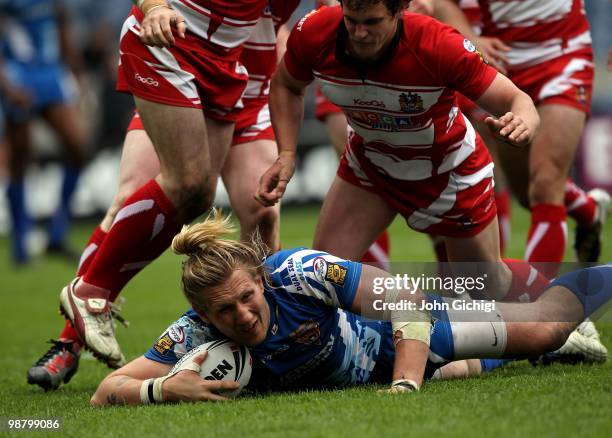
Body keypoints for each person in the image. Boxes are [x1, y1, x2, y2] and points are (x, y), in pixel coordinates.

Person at [26, 0, 299, 390]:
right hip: (185, 71)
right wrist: (154, 5)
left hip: (245, 91)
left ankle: (269, 344)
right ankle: (73, 338)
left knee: (263, 215)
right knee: (131, 198)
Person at [89, 210, 609, 406]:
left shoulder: (299, 273)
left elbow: (403, 297)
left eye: (247, 298)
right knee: (463, 371)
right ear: (204, 316)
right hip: (367, 372)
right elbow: (104, 393)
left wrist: (405, 385)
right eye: (225, 313)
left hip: (400, 332)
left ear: (260, 279)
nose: (243, 316)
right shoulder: (193, 334)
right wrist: (161, 389)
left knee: (545, 329)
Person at [256, 0, 551, 304]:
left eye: (371, 22)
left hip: (450, 175)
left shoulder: (438, 44)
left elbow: (518, 100)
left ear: (400, 11)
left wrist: (523, 122)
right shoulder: (316, 31)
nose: (358, 33)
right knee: (325, 277)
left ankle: (553, 304)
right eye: (351, 20)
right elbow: (285, 84)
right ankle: (352, 346)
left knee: (487, 285)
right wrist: (287, 154)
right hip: (372, 167)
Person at [433, 0, 611, 273]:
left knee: (545, 184)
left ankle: (540, 310)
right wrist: (470, 36)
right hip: (503, 65)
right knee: (526, 191)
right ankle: (587, 210)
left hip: (563, 55)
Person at [0, 0, 87, 264]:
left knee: (78, 147)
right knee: (21, 156)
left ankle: (57, 234)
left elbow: (61, 24)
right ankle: (21, 241)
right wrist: (7, 85)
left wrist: (74, 69)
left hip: (50, 72)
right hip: (19, 72)